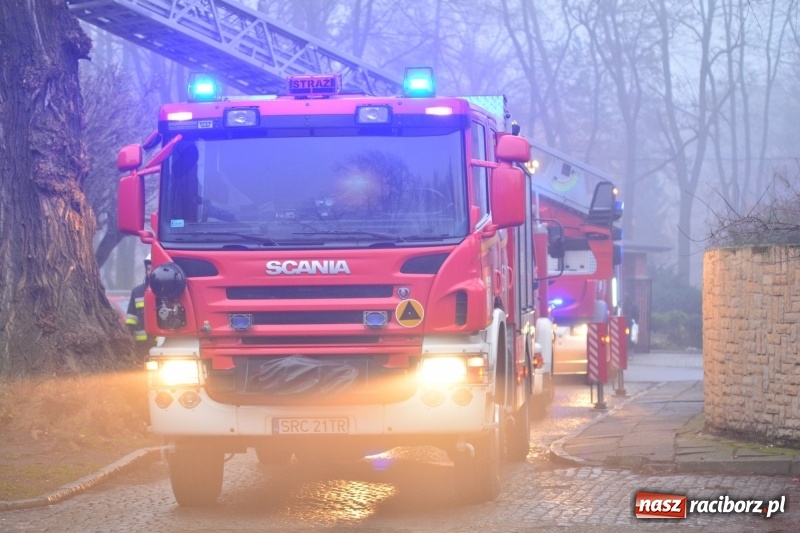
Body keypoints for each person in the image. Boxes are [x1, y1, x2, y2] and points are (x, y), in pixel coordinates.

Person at [127, 254, 157, 358]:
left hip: (161, 345)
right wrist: (128, 337)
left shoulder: (167, 292)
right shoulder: (137, 292)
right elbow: (131, 319)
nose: (150, 272)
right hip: (141, 346)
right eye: (149, 269)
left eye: (153, 269)